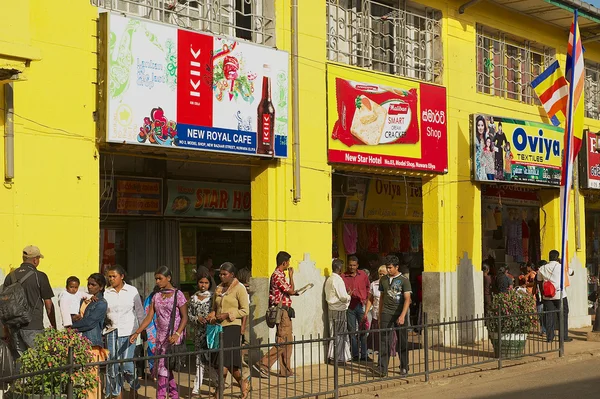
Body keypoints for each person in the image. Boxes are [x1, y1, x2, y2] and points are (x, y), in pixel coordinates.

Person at [131, 267, 188, 399]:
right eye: (156, 279)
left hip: (174, 337)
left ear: (168, 278)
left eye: (160, 278)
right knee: (164, 368)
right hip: (160, 337)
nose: (157, 281)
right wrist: (137, 332)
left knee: (163, 368)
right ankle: (174, 394)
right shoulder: (156, 296)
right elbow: (149, 317)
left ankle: (161, 396)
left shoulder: (178, 294)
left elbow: (185, 317)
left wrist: (177, 334)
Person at [3, 245, 56, 357]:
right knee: (37, 363)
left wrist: (6, 329)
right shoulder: (40, 276)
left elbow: (4, 305)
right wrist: (54, 326)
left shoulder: (10, 277)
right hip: (33, 326)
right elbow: (49, 305)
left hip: (14, 327)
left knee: (21, 365)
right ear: (35, 260)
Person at [207, 263, 250, 399]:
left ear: (232, 275)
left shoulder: (239, 288)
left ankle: (218, 393)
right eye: (220, 274)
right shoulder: (219, 288)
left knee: (223, 362)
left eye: (225, 274)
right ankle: (243, 383)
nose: (222, 276)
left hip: (232, 326)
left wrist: (227, 315)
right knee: (228, 363)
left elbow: (245, 310)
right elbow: (214, 306)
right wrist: (212, 315)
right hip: (219, 328)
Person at [254, 251, 298, 378]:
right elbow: (290, 290)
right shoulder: (277, 276)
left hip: (286, 311)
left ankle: (286, 370)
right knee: (282, 340)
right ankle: (264, 364)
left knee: (288, 341)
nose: (289, 264)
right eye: (288, 262)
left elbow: (291, 289)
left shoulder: (282, 276)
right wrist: (293, 289)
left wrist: (291, 276)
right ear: (284, 263)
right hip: (281, 311)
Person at [104, 265, 145, 399]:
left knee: (126, 364)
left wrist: (141, 331)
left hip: (129, 332)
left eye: (114, 276)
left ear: (122, 277)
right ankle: (117, 394)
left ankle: (134, 386)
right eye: (109, 276)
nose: (111, 279)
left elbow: (140, 312)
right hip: (111, 332)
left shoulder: (132, 291)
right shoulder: (106, 292)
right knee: (113, 366)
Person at [71, 273, 110, 399]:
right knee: (79, 375)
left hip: (92, 342)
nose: (90, 287)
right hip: (80, 340)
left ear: (101, 287)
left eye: (93, 285)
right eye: (89, 284)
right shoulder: (85, 299)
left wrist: (71, 326)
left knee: (92, 376)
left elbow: (89, 322)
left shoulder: (101, 303)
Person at [374, 255, 412, 377]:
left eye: (390, 268)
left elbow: (407, 299)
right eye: (387, 267)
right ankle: (382, 368)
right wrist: (380, 315)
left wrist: (402, 315)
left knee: (402, 341)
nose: (388, 270)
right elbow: (382, 298)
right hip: (386, 313)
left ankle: (404, 366)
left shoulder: (404, 280)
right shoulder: (383, 280)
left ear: (396, 267)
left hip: (399, 313)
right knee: (384, 341)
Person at [536, 250, 573, 343]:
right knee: (563, 315)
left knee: (549, 316)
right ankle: (563, 336)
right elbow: (572, 272)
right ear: (557, 257)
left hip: (547, 296)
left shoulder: (542, 268)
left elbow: (539, 280)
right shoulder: (561, 267)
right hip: (560, 295)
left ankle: (550, 338)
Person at [188, 273, 214, 395]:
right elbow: (189, 316)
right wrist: (196, 319)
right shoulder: (193, 298)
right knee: (200, 359)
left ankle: (218, 382)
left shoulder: (214, 297)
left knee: (211, 359)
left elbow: (217, 312)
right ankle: (196, 387)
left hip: (211, 333)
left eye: (206, 283)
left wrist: (211, 318)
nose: (203, 285)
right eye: (201, 282)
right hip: (199, 333)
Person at [341, 255, 370, 361]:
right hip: (350, 306)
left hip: (361, 305)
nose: (351, 267)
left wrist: (366, 298)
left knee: (363, 330)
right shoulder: (343, 276)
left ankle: (364, 354)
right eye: (350, 265)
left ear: (357, 265)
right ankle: (355, 354)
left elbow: (368, 287)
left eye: (354, 265)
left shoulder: (363, 275)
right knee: (352, 331)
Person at [325, 259, 351, 364]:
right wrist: (349, 295)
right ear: (340, 269)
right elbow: (343, 297)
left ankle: (333, 356)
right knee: (340, 334)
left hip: (331, 308)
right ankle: (337, 357)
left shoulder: (329, 279)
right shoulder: (338, 280)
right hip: (339, 309)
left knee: (334, 332)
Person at [364, 266, 387, 354]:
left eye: (383, 274)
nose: (381, 275)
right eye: (380, 274)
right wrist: (366, 312)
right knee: (375, 332)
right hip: (376, 312)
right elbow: (370, 299)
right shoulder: (374, 284)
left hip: (386, 313)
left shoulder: (390, 284)